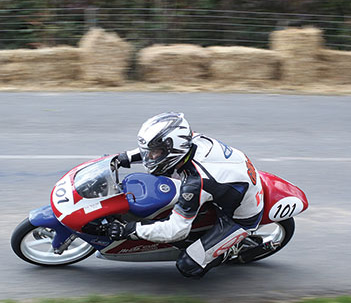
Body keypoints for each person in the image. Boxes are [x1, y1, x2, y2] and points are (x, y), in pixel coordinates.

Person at [107, 112, 265, 278]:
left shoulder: (195, 183)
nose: (150, 156)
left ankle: (232, 249)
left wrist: (132, 230)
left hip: (239, 217)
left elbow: (176, 230)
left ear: (172, 148)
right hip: (233, 183)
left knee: (188, 265)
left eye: (155, 152)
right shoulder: (188, 140)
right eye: (149, 152)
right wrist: (124, 158)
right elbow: (159, 153)